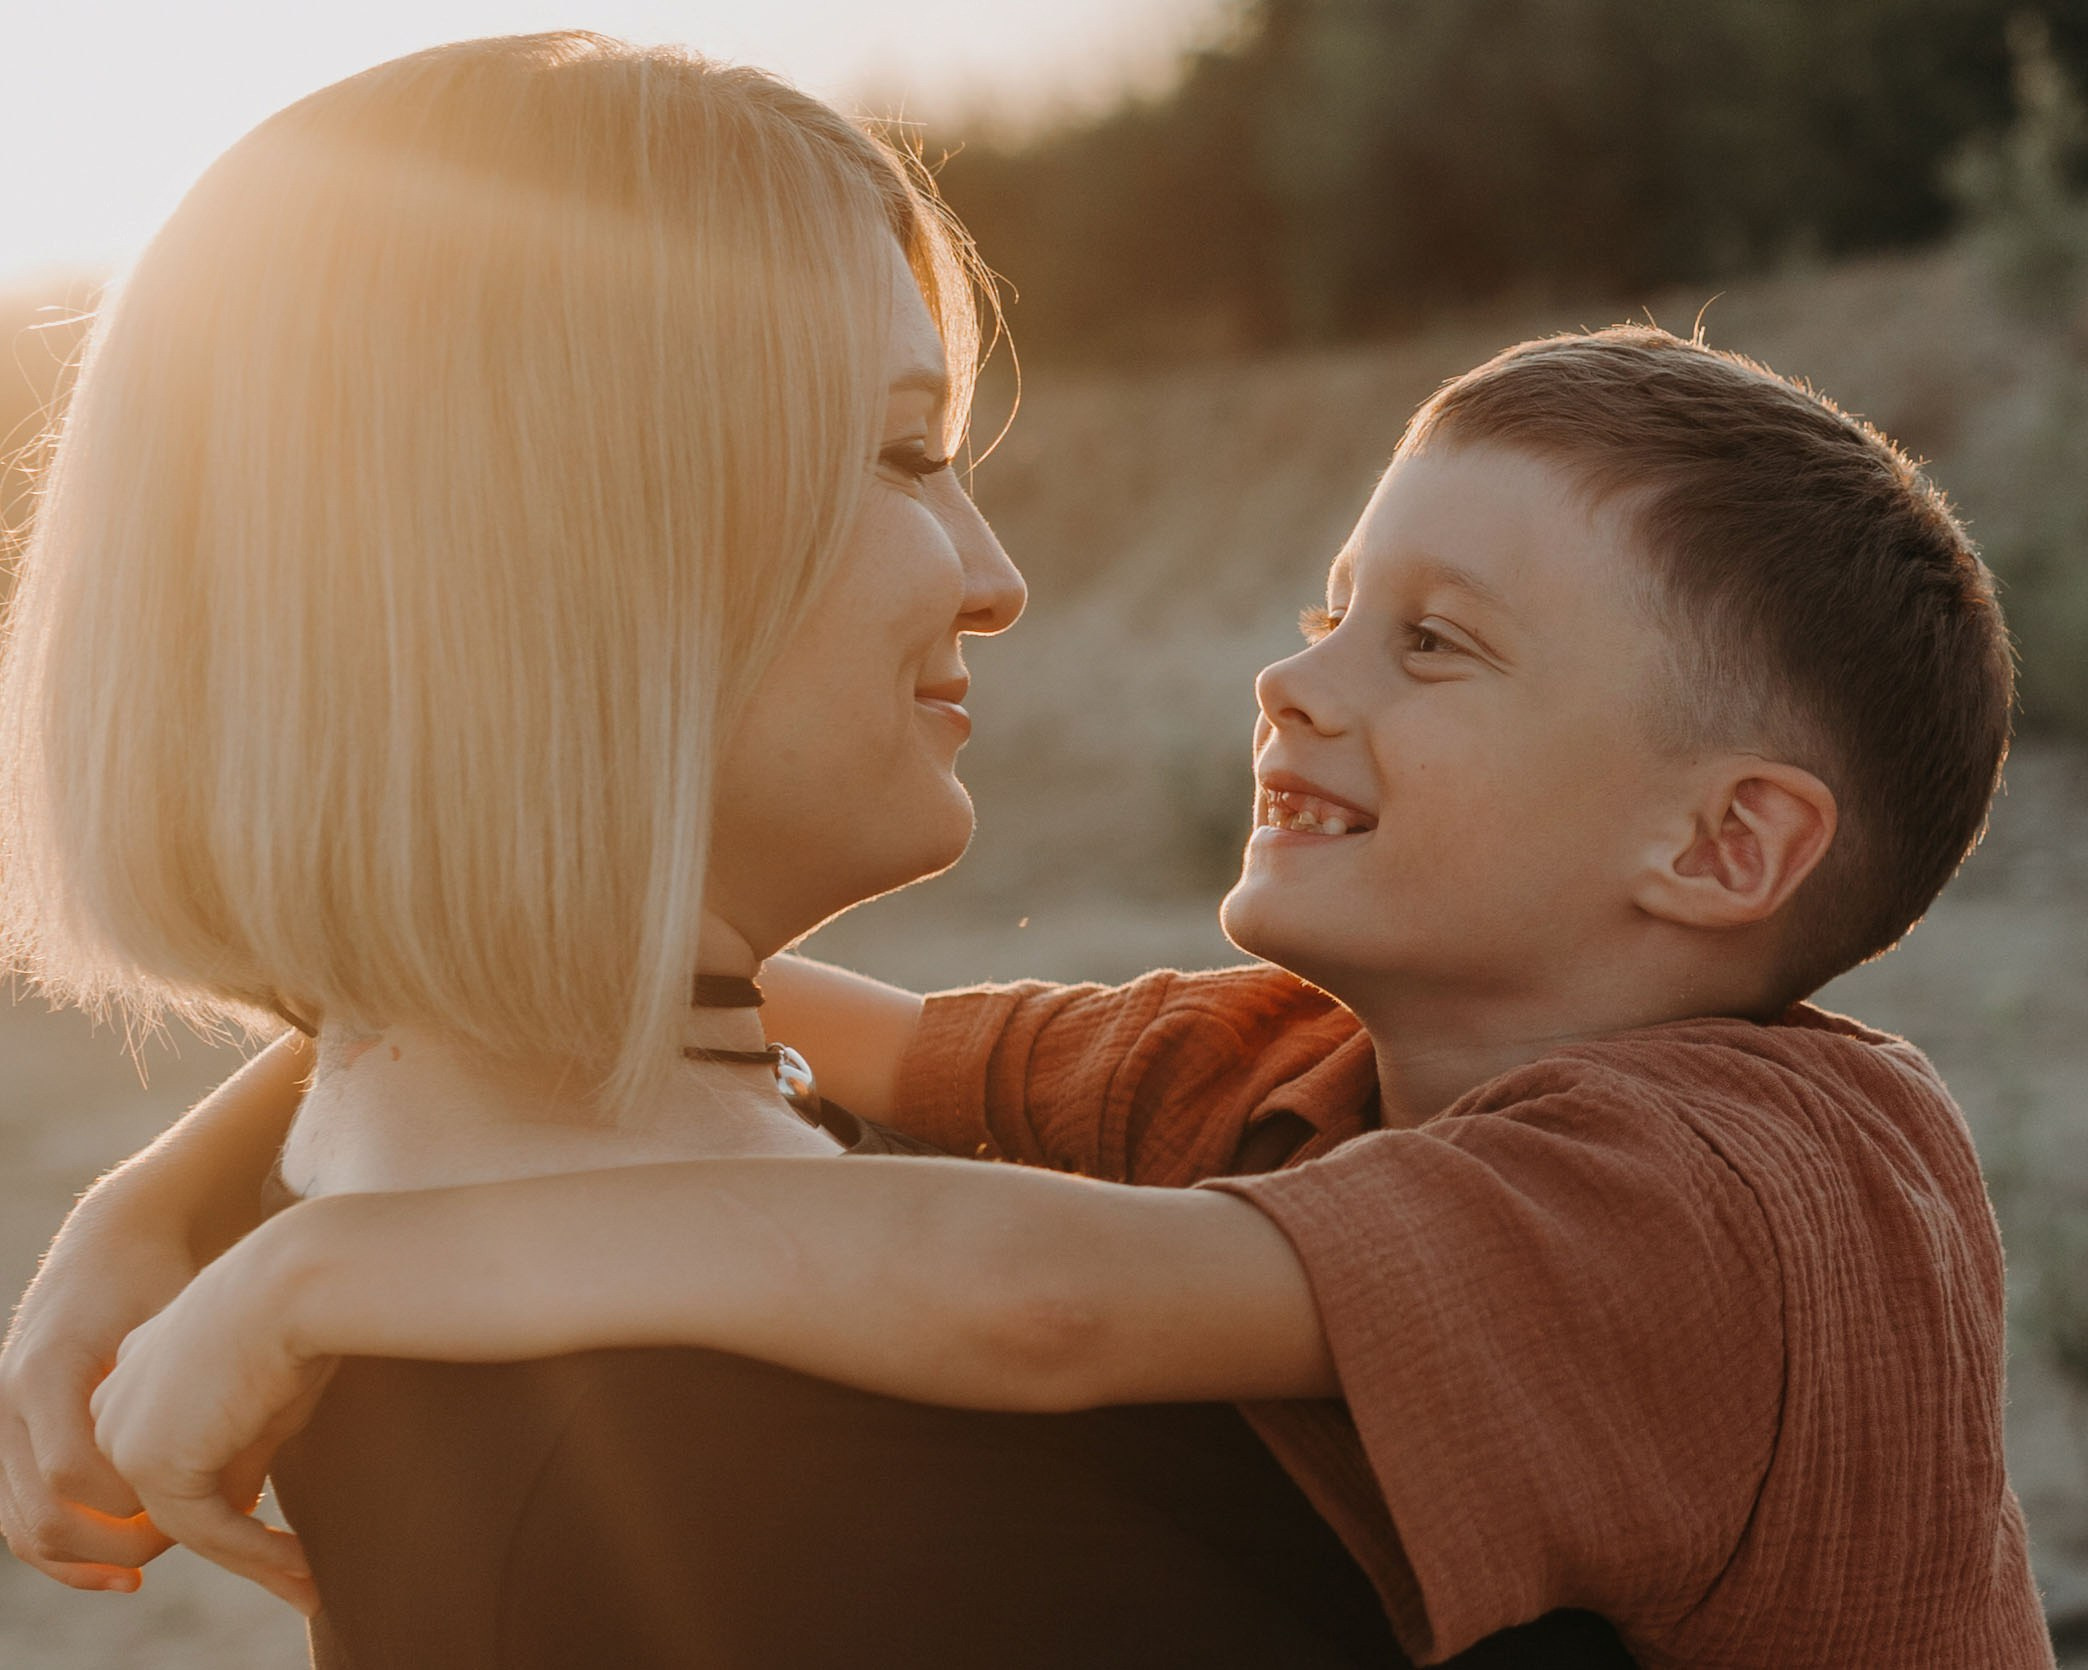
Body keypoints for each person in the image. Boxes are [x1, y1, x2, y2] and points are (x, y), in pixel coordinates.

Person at [52, 326, 2058, 1666]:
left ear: (1721, 851)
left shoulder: (1749, 1182)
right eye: (1328, 612)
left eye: (1434, 647)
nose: (1297, 681)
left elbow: (1033, 1297)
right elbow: (661, 983)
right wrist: (153, 1202)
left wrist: (317, 1278)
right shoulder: (1284, 1074)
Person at [0, 30, 1546, 1669]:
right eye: (901, 454)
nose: (994, 571)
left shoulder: (454, 1233)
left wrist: (166, 1194)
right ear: (582, 563)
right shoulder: (800, 1522)